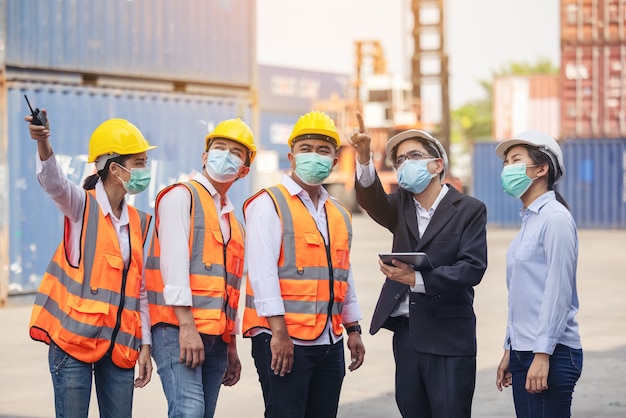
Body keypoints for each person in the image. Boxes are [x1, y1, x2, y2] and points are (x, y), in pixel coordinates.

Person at [349, 112, 488, 418]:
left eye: (414, 156)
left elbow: (472, 268)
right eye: (399, 160)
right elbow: (371, 199)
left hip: (449, 335)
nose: (404, 164)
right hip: (408, 335)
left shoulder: (469, 210)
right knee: (412, 410)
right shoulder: (398, 205)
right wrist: (363, 157)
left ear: (437, 164)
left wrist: (417, 279)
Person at [26, 114, 157, 418]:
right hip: (73, 345)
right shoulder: (81, 206)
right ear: (115, 168)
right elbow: (53, 182)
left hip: (120, 348)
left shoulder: (137, 223)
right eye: (139, 163)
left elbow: (139, 291)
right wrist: (43, 141)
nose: (145, 170)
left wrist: (145, 345)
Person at [242, 110, 365, 418]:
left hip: (329, 338)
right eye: (306, 149)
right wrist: (280, 334)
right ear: (292, 156)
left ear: (334, 161)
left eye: (323, 151)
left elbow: (342, 275)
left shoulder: (338, 213)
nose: (314, 156)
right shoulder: (268, 204)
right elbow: (262, 274)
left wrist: (352, 328)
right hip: (283, 338)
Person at [145, 118, 255, 418]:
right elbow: (174, 268)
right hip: (177, 328)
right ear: (205, 157)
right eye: (220, 148)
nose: (226, 155)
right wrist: (187, 327)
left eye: (236, 152)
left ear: (244, 170)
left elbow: (229, 291)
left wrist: (230, 345)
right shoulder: (181, 196)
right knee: (189, 411)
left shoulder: (233, 222)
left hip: (216, 336)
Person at [494, 130, 583, 417]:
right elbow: (521, 295)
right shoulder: (530, 221)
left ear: (541, 169)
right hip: (525, 352)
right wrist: (510, 349)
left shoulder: (555, 219)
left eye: (515, 160)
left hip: (551, 353)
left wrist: (542, 355)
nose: (507, 168)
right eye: (506, 162)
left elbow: (557, 292)